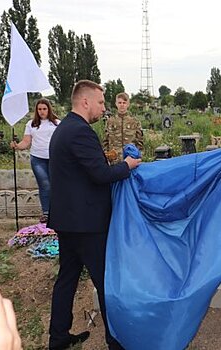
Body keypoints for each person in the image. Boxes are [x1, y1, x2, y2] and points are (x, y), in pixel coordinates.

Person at [48, 80, 141, 350]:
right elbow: (100, 174)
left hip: (68, 221)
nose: (104, 107)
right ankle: (116, 342)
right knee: (106, 283)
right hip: (87, 225)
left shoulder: (64, 128)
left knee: (66, 279)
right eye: (101, 102)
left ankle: (59, 339)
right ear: (85, 101)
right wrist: (127, 165)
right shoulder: (81, 132)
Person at [10, 98, 60, 223]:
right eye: (39, 109)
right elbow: (26, 141)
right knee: (45, 185)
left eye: (44, 109)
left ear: (49, 109)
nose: (42, 112)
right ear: (36, 110)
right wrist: (17, 146)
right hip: (38, 158)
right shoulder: (31, 124)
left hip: (54, 158)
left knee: (56, 184)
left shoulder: (57, 123)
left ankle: (59, 211)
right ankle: (46, 213)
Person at [102, 92, 143, 163]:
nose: (122, 105)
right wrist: (107, 156)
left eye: (124, 103)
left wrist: (139, 157)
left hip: (130, 160)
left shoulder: (134, 121)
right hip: (114, 160)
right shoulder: (110, 121)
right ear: (116, 104)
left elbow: (140, 142)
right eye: (120, 103)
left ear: (128, 104)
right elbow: (105, 141)